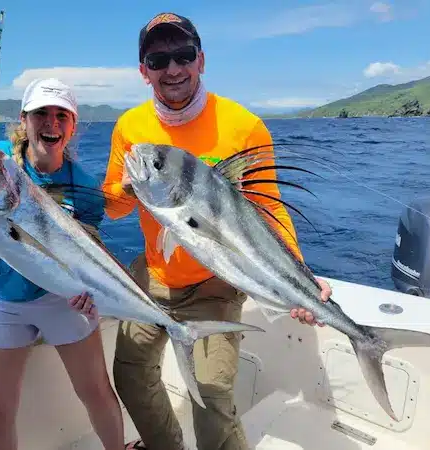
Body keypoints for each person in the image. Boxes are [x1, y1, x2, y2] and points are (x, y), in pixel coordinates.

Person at [99, 12, 333, 450]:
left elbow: (270, 209)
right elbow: (112, 207)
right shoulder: (131, 128)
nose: (172, 68)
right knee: (130, 377)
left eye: (183, 55)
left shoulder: (243, 126)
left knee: (211, 396)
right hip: (152, 276)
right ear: (143, 71)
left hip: (218, 283)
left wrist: (298, 274)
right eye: (158, 59)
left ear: (201, 61)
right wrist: (128, 188)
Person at [0, 78, 124, 450]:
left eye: (60, 115)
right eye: (41, 113)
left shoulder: (84, 186)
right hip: (2, 297)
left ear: (72, 125)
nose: (50, 123)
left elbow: (93, 248)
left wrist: (90, 293)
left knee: (97, 393)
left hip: (62, 300)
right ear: (24, 119)